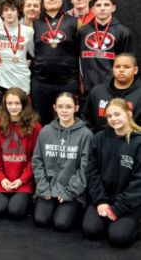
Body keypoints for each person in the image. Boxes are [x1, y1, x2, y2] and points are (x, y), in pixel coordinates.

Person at [83, 98, 141, 248]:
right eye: (109, 116)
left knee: (118, 238)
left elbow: (138, 184)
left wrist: (118, 209)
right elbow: (92, 172)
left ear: (128, 113)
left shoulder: (138, 142)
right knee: (91, 230)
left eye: (117, 114)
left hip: (128, 203)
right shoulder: (99, 138)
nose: (113, 119)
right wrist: (101, 201)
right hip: (104, 199)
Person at [32, 92, 93, 231]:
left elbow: (85, 169)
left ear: (76, 108)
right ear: (55, 108)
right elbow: (37, 161)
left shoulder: (86, 135)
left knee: (61, 224)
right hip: (48, 188)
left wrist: (69, 192)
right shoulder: (46, 131)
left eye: (68, 107)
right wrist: (43, 188)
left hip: (72, 191)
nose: (64, 110)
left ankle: (74, 210)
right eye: (60, 106)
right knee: (41, 220)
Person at [0, 87, 41, 219]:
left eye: (17, 103)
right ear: (4, 105)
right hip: (3, 180)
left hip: (23, 181)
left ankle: (26, 199)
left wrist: (22, 180)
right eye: (9, 103)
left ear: (24, 104)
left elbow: (35, 158)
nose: (13, 107)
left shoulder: (35, 127)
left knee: (15, 212)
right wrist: (1, 178)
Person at [32, 0, 80, 125]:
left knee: (67, 121)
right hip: (41, 83)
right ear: (43, 2)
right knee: (42, 121)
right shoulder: (34, 22)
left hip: (68, 82)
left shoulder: (75, 21)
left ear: (63, 0)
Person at [79, 0, 137, 97]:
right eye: (98, 5)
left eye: (106, 5)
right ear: (93, 9)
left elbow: (129, 63)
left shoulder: (123, 32)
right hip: (87, 89)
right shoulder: (83, 31)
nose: (102, 8)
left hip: (113, 89)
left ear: (113, 8)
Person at [0, 0, 34, 105]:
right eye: (6, 10)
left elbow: (34, 54)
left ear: (18, 12)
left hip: (21, 79)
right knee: (1, 115)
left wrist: (30, 62)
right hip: (1, 79)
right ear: (1, 13)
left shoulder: (28, 31)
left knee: (23, 115)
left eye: (13, 9)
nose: (9, 13)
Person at [83, 53, 141, 133]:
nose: (121, 70)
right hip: (101, 143)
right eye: (117, 67)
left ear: (135, 70)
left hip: (131, 143)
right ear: (112, 69)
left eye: (126, 67)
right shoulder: (97, 92)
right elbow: (86, 120)